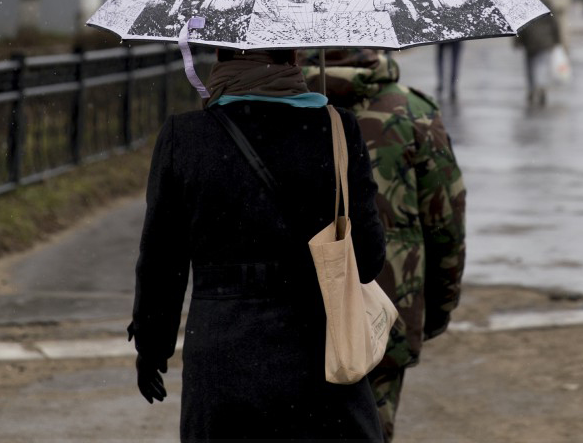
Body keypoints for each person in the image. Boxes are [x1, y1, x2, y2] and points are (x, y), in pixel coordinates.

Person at [128, 48, 387, 441]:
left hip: (224, 359)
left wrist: (152, 348)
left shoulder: (186, 136)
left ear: (221, 58)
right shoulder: (336, 129)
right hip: (319, 357)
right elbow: (368, 261)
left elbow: (162, 264)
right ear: (294, 58)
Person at [305, 49, 466, 441]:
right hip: (384, 307)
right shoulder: (412, 111)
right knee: (372, 429)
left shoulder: (280, 111)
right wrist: (439, 307)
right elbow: (445, 222)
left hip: (297, 310)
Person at [516, 0, 561, 106]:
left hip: (529, 41)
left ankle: (531, 88)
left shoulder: (524, 1)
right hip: (545, 40)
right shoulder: (546, 0)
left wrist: (518, 41)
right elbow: (554, 22)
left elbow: (519, 24)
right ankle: (541, 86)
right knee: (542, 65)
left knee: (530, 67)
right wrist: (557, 40)